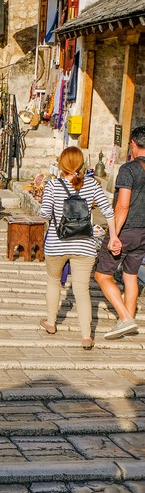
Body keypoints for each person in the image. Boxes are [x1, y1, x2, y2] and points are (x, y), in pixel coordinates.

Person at [39, 147, 117, 350]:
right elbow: (108, 209)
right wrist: (114, 236)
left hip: (57, 244)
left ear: (61, 165)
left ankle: (51, 323)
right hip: (85, 244)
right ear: (81, 164)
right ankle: (85, 336)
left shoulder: (53, 186)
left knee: (53, 282)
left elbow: (44, 214)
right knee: (82, 289)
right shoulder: (91, 183)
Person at [94, 125, 145, 339]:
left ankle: (125, 318)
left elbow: (122, 205)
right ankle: (127, 319)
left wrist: (113, 234)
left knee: (102, 274)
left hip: (126, 229)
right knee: (130, 275)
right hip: (143, 232)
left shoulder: (129, 169)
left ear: (133, 144)